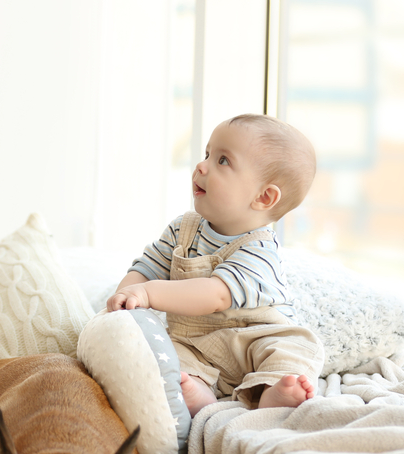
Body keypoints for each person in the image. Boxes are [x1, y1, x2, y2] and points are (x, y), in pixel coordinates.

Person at [107, 113, 325, 417]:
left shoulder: (259, 248)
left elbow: (216, 295)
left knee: (296, 351)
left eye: (223, 161)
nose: (201, 165)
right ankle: (200, 393)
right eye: (207, 154)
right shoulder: (182, 229)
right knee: (169, 361)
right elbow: (147, 267)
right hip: (196, 343)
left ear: (264, 197)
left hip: (256, 340)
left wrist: (148, 293)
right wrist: (123, 300)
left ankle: (271, 391)